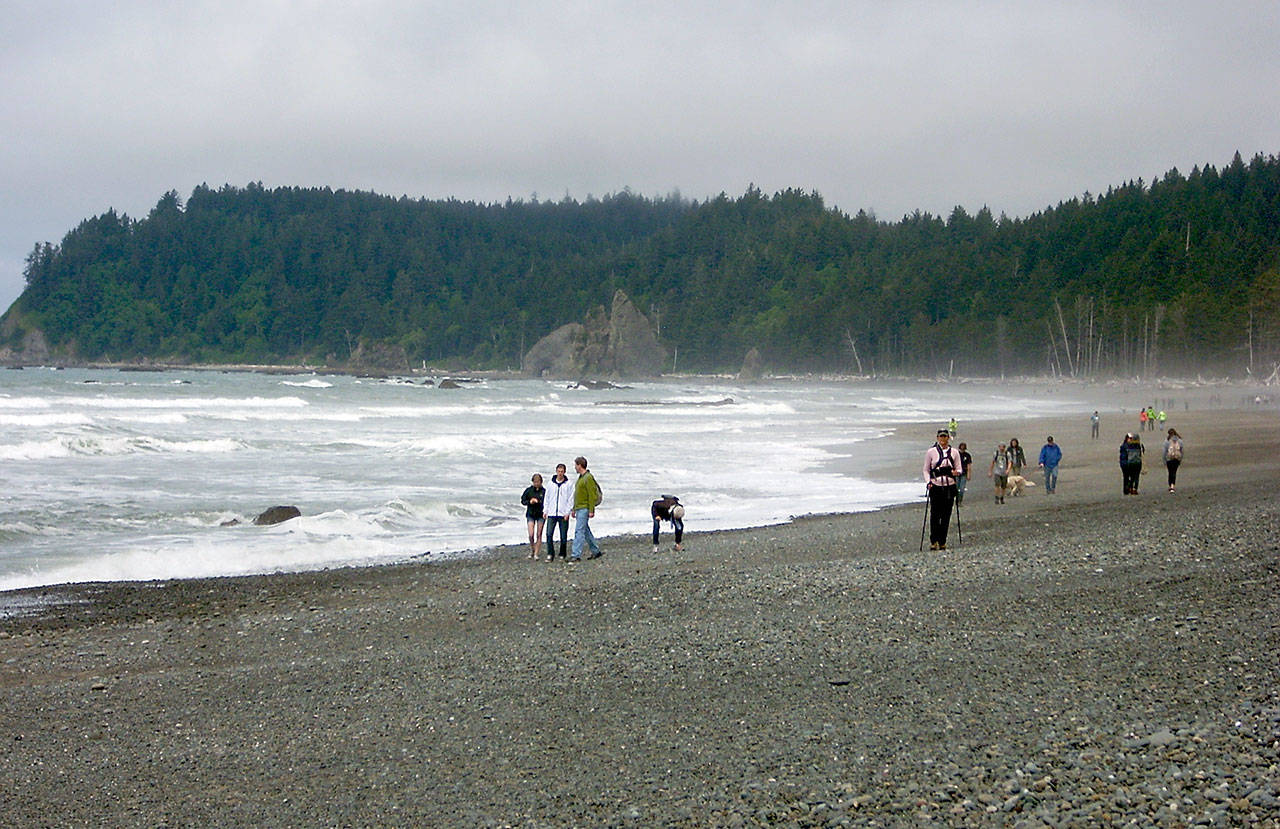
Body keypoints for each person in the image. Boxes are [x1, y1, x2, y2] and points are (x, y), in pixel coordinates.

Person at [923, 428, 961, 550]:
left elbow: (959, 469)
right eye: (941, 436)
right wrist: (928, 482)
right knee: (934, 514)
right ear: (937, 438)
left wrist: (956, 473)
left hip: (949, 486)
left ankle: (942, 541)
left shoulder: (954, 452)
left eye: (945, 436)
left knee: (946, 515)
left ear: (948, 438)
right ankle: (933, 541)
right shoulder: (931, 452)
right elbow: (926, 469)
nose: (943, 439)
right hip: (936, 486)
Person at [571, 456, 603, 561]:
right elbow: (578, 495)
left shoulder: (588, 477)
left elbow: (591, 494)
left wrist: (591, 510)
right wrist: (574, 508)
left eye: (576, 465)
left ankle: (576, 555)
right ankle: (596, 551)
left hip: (584, 508)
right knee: (585, 531)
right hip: (579, 507)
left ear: (580, 465)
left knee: (579, 531)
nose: (575, 467)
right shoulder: (581, 478)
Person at [543, 463, 574, 561]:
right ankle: (550, 553)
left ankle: (562, 553)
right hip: (552, 513)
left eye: (562, 471)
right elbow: (547, 498)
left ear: (564, 472)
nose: (560, 473)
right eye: (558, 471)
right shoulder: (550, 484)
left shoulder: (569, 484)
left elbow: (570, 499)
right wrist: (545, 510)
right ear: (556, 471)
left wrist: (567, 512)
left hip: (563, 513)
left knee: (563, 535)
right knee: (548, 534)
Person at [520, 474, 546, 560]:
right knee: (531, 534)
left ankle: (536, 553)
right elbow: (523, 500)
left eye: (538, 482)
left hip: (540, 515)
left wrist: (538, 501)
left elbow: (547, 502)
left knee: (539, 534)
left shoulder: (544, 491)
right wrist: (529, 501)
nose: (536, 484)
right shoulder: (529, 490)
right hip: (530, 514)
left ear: (541, 482)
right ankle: (532, 549)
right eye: (535, 482)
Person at [1163, 428, 1184, 493]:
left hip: (1169, 459)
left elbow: (1164, 452)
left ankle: (1170, 486)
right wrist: (1180, 459)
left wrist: (1164, 460)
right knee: (1174, 472)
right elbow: (1182, 451)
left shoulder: (1167, 441)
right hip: (1177, 459)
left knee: (1170, 472)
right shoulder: (1180, 441)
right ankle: (1172, 485)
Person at [955, 442, 972, 507]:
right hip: (956, 473)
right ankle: (956, 500)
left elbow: (969, 465)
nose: (962, 450)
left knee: (962, 488)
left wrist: (969, 474)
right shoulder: (956, 455)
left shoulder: (967, 455)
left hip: (964, 473)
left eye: (963, 449)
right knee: (956, 488)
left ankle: (960, 501)